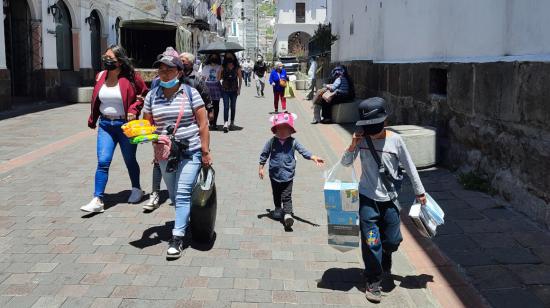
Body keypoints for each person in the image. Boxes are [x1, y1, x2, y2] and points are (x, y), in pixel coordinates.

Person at [340, 97, 427, 303]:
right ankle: (373, 279)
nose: (373, 132)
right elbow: (345, 163)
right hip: (367, 199)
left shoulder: (396, 141)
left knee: (392, 240)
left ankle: (386, 258)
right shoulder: (362, 139)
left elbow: (410, 166)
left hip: (390, 200)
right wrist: (353, 144)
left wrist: (419, 191)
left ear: (385, 122)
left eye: (375, 127)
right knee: (372, 242)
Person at [142, 52, 212, 259]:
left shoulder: (190, 93)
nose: (164, 74)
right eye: (161, 70)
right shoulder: (151, 96)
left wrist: (205, 151)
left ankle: (177, 238)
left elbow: (203, 124)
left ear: (179, 72)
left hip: (190, 150)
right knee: (173, 195)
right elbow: (147, 125)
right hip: (165, 153)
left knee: (181, 193)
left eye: (169, 70)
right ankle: (185, 220)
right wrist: (143, 134)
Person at [82, 45, 148, 213]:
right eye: (105, 56)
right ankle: (98, 199)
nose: (106, 60)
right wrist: (93, 118)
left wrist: (134, 109)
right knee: (103, 161)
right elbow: (96, 98)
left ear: (120, 61)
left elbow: (143, 94)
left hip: (125, 126)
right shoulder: (100, 76)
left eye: (110, 57)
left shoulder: (132, 77)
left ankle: (136, 189)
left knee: (129, 159)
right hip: (105, 125)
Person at [259, 113, 325, 228]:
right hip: (274, 175)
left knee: (287, 195)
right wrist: (261, 168)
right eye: (280, 128)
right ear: (275, 130)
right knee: (276, 194)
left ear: (290, 130)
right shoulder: (271, 142)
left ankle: (288, 215)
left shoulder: (293, 142)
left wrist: (313, 157)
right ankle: (278, 209)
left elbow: (303, 151)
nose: (283, 131)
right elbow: (264, 154)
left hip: (288, 175)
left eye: (286, 128)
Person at [217, 52, 242, 133]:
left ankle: (232, 122)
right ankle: (225, 123)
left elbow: (240, 78)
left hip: (234, 89)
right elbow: (218, 79)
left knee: (233, 106)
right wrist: (219, 71)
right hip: (225, 89)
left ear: (233, 57)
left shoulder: (237, 67)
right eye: (227, 57)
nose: (229, 58)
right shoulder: (223, 67)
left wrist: (239, 89)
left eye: (231, 56)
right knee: (226, 106)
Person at [201, 53, 223, 130]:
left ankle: (215, 123)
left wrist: (220, 71)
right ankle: (210, 122)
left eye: (215, 57)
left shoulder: (219, 67)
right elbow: (203, 78)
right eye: (212, 57)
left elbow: (219, 78)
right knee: (208, 105)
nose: (214, 58)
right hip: (207, 86)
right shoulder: (206, 67)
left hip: (216, 86)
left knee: (216, 106)